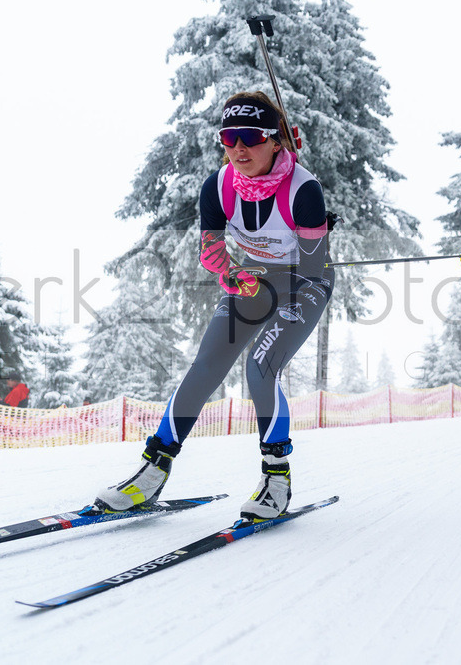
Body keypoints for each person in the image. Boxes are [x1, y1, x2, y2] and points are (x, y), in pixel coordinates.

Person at [95, 91, 335, 521]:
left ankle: (276, 478)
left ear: (275, 140)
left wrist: (313, 231)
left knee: (260, 367)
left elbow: (313, 265)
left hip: (304, 283)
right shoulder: (219, 186)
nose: (239, 148)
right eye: (229, 138)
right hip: (254, 278)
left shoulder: (304, 189)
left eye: (251, 137)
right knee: (207, 364)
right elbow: (211, 253)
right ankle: (152, 471)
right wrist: (233, 275)